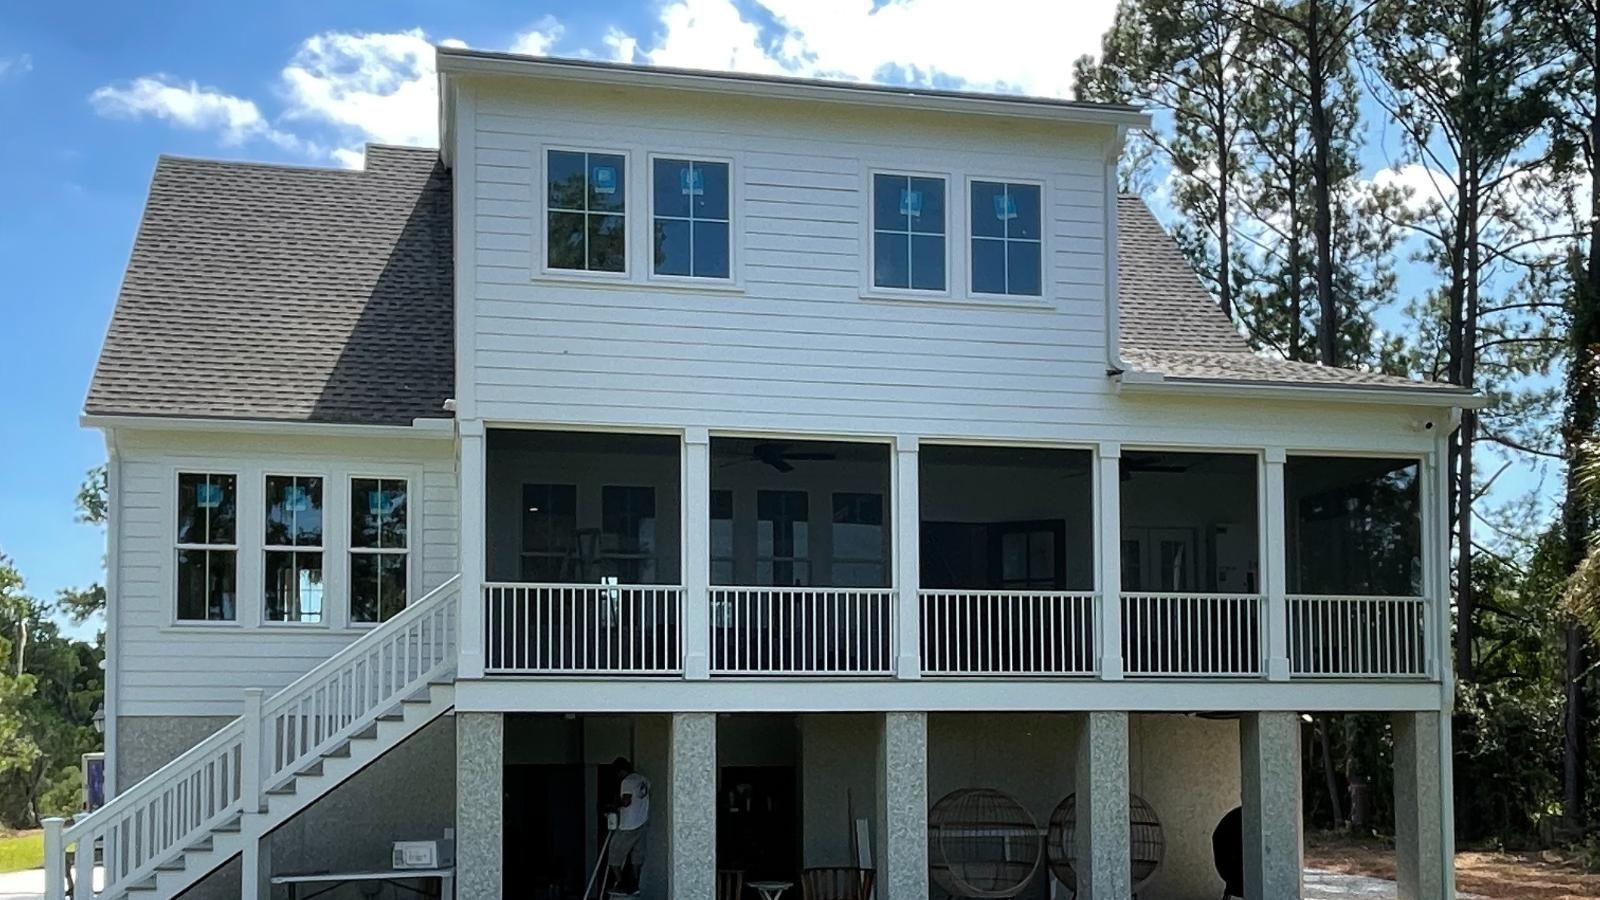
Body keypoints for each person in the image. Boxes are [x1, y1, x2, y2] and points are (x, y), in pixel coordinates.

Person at [606, 757, 651, 895]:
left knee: (614, 853)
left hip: (628, 825)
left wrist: (613, 806)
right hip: (642, 822)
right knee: (637, 855)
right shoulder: (644, 780)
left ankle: (620, 883)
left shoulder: (627, 781)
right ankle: (634, 884)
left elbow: (626, 802)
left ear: (621, 771)